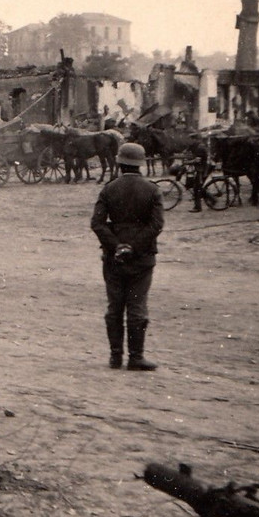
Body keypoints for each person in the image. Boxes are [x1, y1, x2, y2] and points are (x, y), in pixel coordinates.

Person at [90, 142, 164, 371]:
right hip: (141, 258)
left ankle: (115, 357)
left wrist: (117, 246)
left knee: (115, 306)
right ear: (141, 165)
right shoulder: (152, 190)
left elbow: (97, 224)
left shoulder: (109, 189)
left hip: (113, 258)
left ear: (120, 163)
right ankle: (135, 357)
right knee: (137, 306)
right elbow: (156, 225)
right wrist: (133, 247)